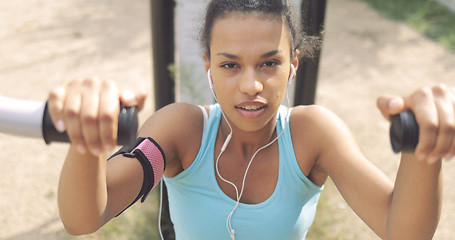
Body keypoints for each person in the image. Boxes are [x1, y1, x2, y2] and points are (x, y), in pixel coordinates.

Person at [50, 0, 454, 239]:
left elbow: (404, 231)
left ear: (293, 64)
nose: (251, 85)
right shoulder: (182, 132)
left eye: (269, 63)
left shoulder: (312, 135)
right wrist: (87, 142)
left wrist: (424, 149)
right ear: (207, 65)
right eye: (230, 65)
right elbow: (84, 218)